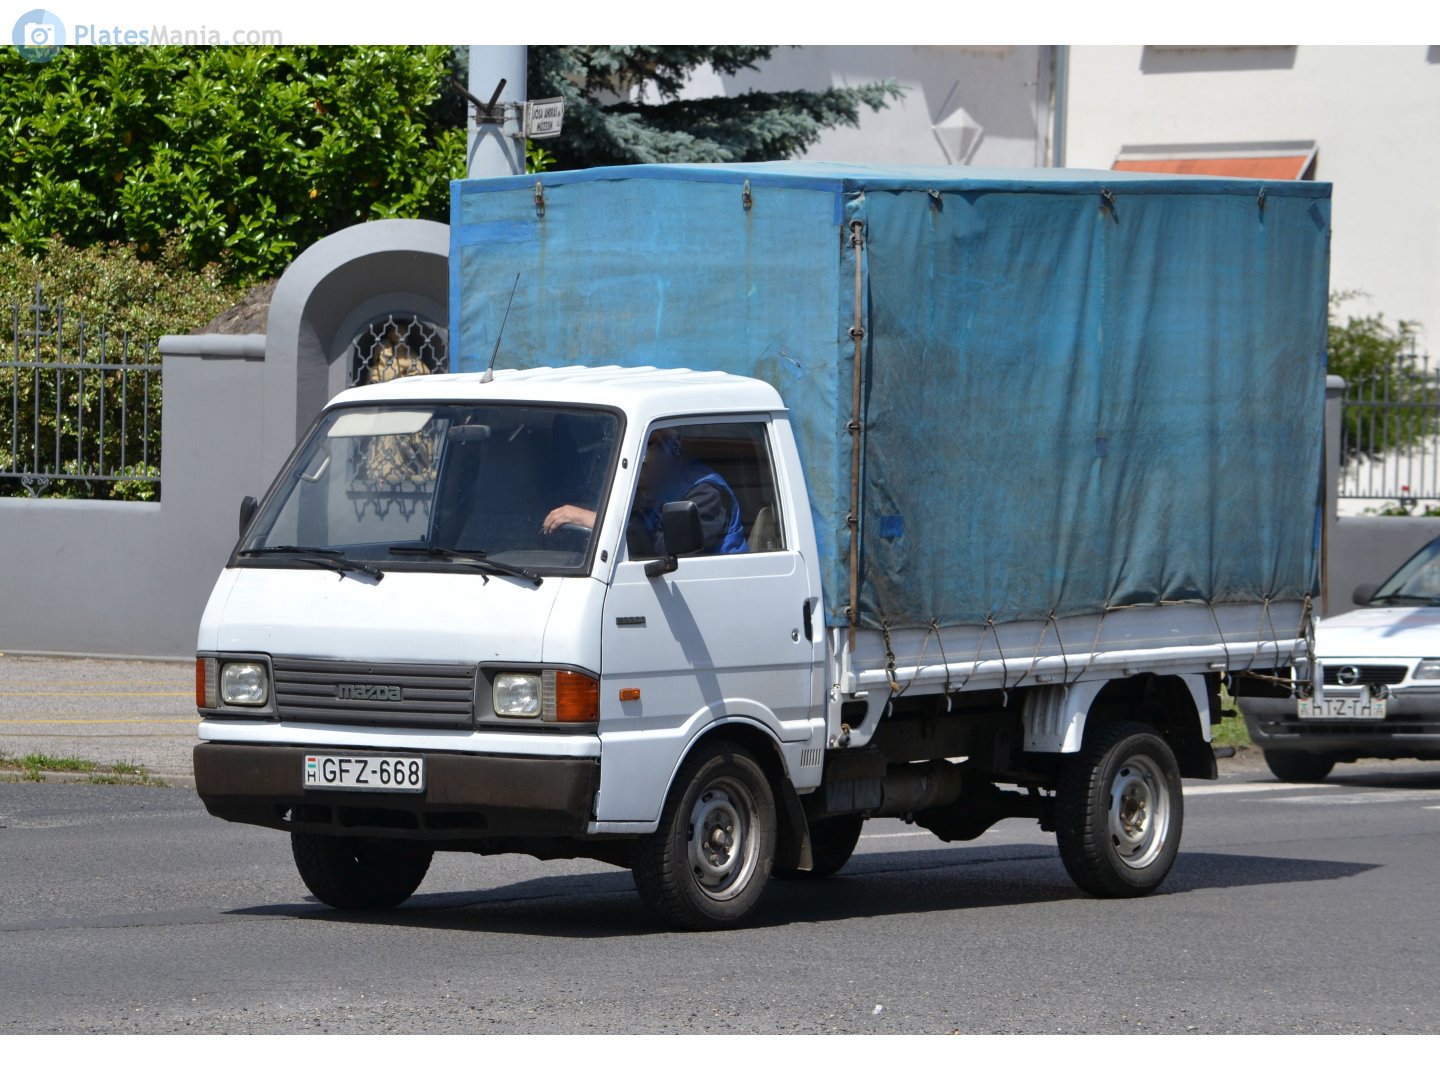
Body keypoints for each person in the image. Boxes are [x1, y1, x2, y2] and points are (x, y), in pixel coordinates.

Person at [542, 429, 748, 556]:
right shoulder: (645, 488)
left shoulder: (705, 493)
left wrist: (595, 521)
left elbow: (661, 550)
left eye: (651, 445)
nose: (643, 458)